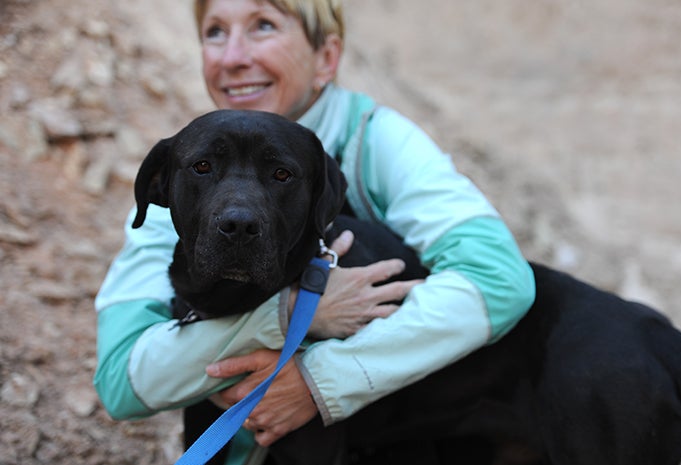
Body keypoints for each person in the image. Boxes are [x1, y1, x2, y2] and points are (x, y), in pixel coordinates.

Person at [93, 0, 536, 463]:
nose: (233, 57)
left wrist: (321, 380)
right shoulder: (187, 166)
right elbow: (120, 383)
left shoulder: (375, 141)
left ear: (326, 58)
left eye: (263, 26)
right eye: (215, 32)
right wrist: (288, 316)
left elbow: (500, 279)